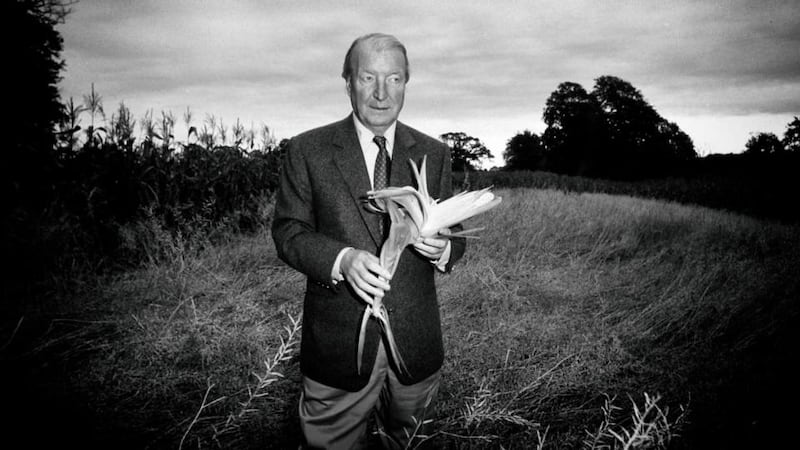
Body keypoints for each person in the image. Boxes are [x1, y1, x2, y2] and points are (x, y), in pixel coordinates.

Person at [271, 33, 467, 449]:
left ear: (406, 84)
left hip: (416, 347)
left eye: (394, 79)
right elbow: (288, 231)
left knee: (410, 442)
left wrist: (445, 248)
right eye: (368, 78)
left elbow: (454, 231)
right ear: (348, 83)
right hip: (338, 349)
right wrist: (341, 259)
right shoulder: (307, 150)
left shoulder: (435, 153)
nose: (381, 93)